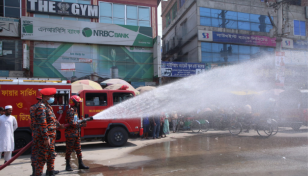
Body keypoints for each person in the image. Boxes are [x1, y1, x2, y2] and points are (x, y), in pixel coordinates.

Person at [33, 88, 64, 176]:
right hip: (45, 138)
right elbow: (42, 123)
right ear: (46, 97)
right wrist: (46, 137)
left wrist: (59, 125)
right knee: (42, 158)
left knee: (51, 156)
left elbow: (53, 119)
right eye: (52, 96)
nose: (53, 98)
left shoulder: (48, 106)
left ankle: (50, 173)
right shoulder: (41, 107)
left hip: (51, 137)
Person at [65, 95, 89, 171]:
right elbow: (72, 123)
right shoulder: (70, 111)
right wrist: (82, 124)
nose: (79, 103)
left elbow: (76, 122)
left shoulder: (75, 110)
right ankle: (67, 165)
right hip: (70, 134)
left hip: (76, 133)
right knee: (69, 150)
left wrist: (81, 121)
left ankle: (81, 164)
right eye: (78, 102)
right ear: (74, 102)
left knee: (78, 149)